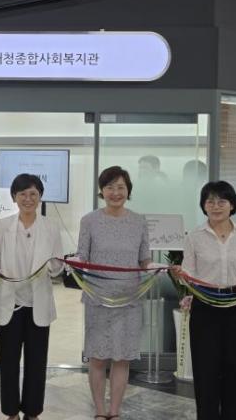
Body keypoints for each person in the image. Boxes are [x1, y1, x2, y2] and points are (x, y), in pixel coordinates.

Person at [176, 181, 236, 420]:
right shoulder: (194, 237)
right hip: (205, 306)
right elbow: (188, 272)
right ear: (203, 206)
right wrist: (181, 275)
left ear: (232, 205)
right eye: (210, 201)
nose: (216, 206)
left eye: (222, 201)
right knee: (206, 369)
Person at [76, 166, 150, 420]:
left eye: (121, 187)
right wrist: (71, 263)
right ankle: (100, 411)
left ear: (128, 190)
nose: (115, 192)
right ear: (102, 191)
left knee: (122, 358)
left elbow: (144, 259)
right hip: (98, 298)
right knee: (97, 357)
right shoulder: (89, 220)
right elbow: (82, 256)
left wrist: (157, 268)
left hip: (129, 299)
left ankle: (115, 411)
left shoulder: (139, 221)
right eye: (110, 187)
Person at [0, 173, 64, 420]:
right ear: (14, 197)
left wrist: (56, 265)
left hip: (38, 304)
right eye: (22, 194)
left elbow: (57, 265)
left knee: (36, 362)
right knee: (8, 361)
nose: (28, 198)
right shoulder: (3, 226)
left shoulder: (51, 226)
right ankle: (11, 412)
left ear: (40, 196)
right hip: (9, 303)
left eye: (33, 193)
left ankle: (32, 412)